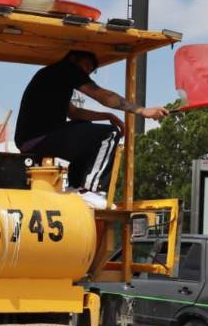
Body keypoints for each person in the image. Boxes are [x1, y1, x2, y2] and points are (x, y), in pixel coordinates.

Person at [14, 50, 169, 208]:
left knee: (87, 134)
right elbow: (104, 96)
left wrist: (108, 116)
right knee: (109, 135)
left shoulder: (51, 76)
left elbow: (74, 113)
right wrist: (143, 111)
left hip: (31, 139)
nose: (87, 73)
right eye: (87, 66)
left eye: (91, 70)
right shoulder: (67, 69)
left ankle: (75, 187)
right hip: (41, 136)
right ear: (73, 58)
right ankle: (92, 190)